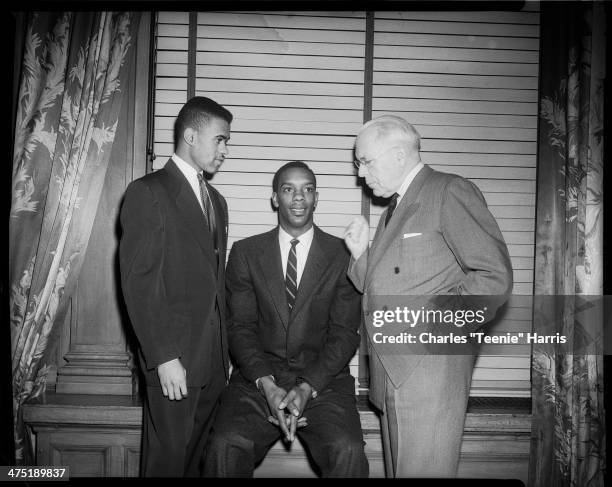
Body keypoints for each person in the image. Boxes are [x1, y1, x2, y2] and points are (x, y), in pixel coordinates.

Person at [343, 115, 513, 477]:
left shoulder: (448, 191)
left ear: (400, 155)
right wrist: (361, 257)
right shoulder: (397, 209)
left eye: (365, 161)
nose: (360, 173)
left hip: (429, 372)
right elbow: (390, 287)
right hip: (393, 374)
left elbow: (494, 278)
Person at [203, 161, 369, 478]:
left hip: (325, 382)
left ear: (316, 198)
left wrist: (308, 387)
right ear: (275, 198)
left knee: (347, 449)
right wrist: (266, 385)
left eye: (307, 189)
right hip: (257, 381)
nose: (298, 198)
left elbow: (345, 334)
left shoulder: (343, 255)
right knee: (225, 444)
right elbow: (240, 329)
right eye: (288, 189)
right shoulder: (245, 253)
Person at [119, 96, 232, 477]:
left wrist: (224, 358)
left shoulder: (217, 201)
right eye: (219, 140)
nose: (224, 151)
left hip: (213, 365)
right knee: (166, 466)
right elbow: (140, 282)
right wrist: (164, 357)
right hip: (174, 364)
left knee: (194, 467)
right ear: (190, 135)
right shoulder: (148, 191)